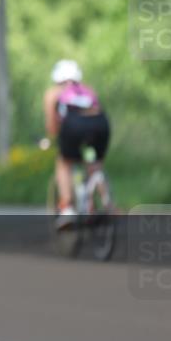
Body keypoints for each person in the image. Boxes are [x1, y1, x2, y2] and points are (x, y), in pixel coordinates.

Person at [42, 59, 111, 228]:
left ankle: (67, 207)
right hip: (101, 124)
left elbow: (52, 126)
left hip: (74, 126)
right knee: (94, 163)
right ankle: (104, 204)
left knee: (64, 162)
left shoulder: (54, 93)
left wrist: (53, 138)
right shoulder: (88, 90)